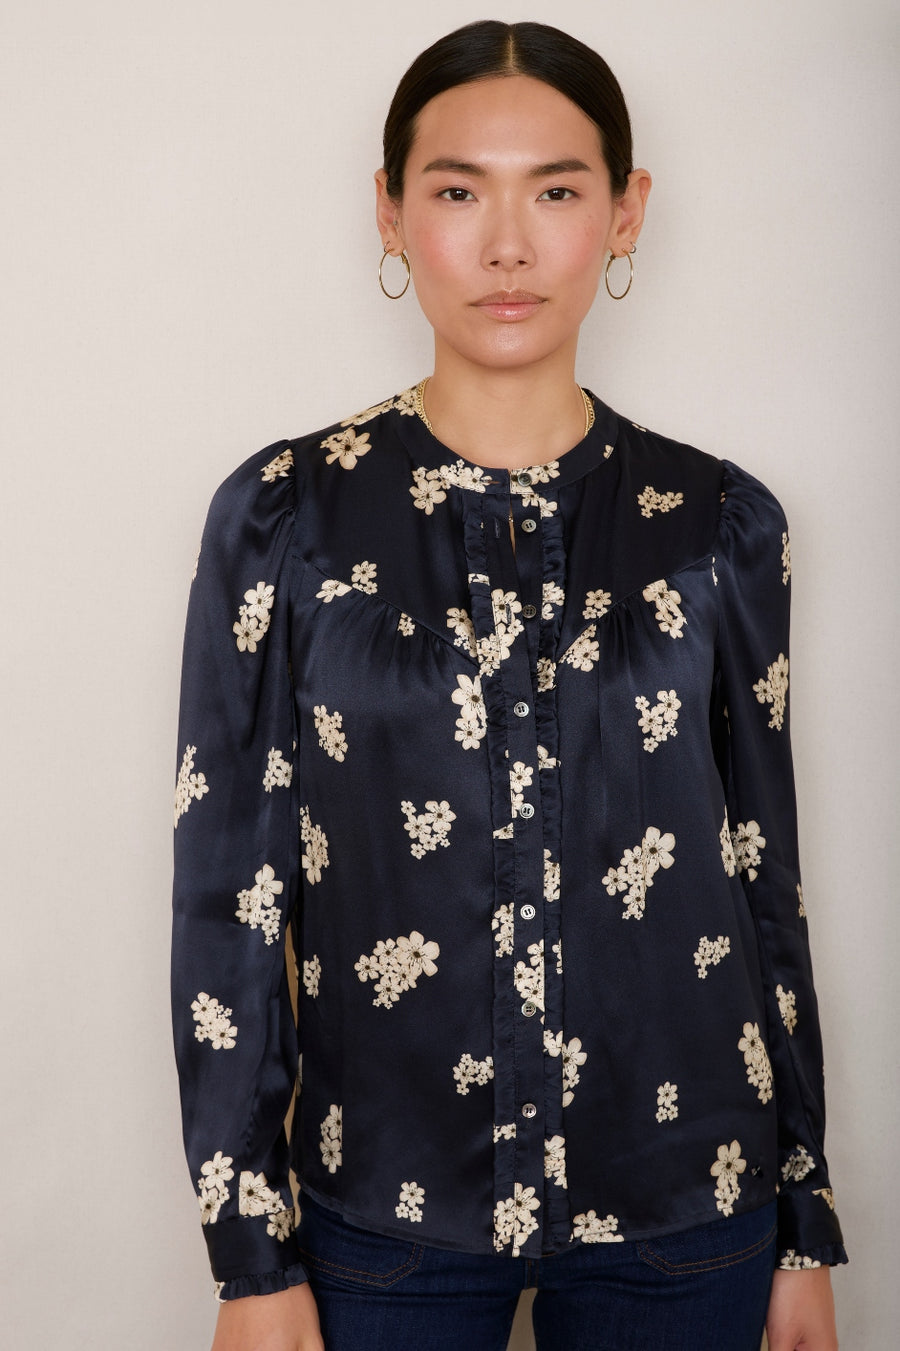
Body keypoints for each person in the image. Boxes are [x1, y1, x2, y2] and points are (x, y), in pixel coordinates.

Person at [171, 20, 846, 1351]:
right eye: (457, 191)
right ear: (389, 211)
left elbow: (763, 873)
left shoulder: (720, 524)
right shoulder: (286, 519)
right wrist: (250, 1257)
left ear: (625, 212)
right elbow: (232, 895)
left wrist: (802, 1219)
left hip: (689, 1204)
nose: (507, 246)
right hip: (384, 1212)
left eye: (556, 190)